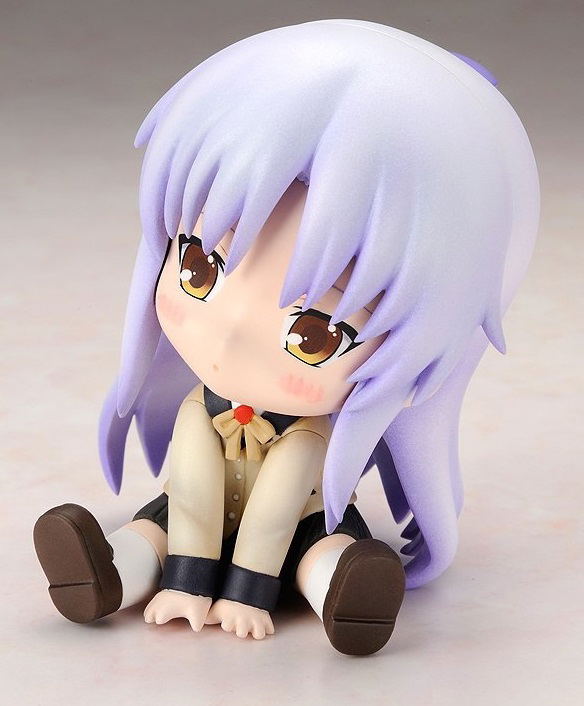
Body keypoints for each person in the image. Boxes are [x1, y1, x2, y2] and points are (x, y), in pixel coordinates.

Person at [33, 19, 539, 656]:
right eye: (197, 268)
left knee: (321, 554)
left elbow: (276, 509)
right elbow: (193, 485)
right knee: (152, 530)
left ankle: (345, 599)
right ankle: (103, 577)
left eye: (315, 332)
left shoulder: (309, 437)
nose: (232, 335)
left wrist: (246, 594)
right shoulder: (201, 409)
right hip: (189, 515)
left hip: (299, 522)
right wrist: (189, 579)